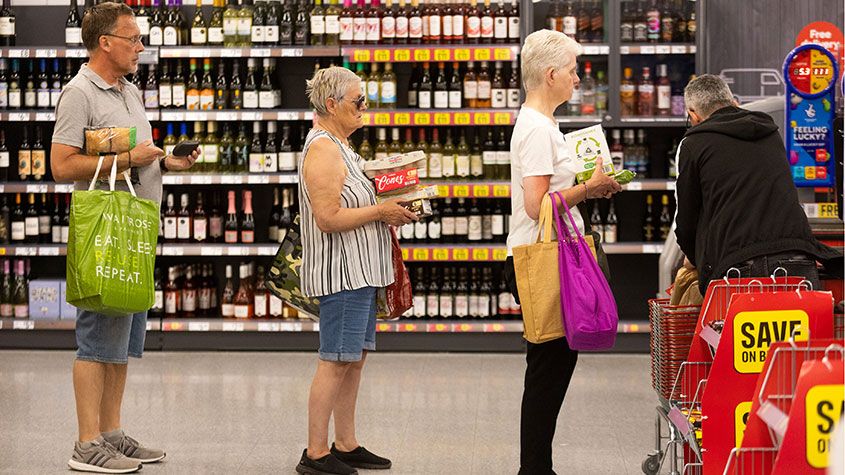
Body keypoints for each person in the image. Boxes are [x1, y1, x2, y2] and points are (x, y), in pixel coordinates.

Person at [51, 3, 198, 473]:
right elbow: (61, 166)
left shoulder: (130, 89)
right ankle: (85, 443)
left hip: (135, 229)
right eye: (132, 39)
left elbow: (136, 155)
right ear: (105, 43)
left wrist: (165, 163)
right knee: (96, 337)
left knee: (122, 340)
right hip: (105, 233)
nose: (140, 47)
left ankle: (111, 433)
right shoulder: (79, 93)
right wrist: (130, 160)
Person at [505, 30, 622, 475]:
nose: (577, 79)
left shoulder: (544, 124)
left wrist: (587, 188)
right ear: (550, 74)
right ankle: (534, 468)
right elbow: (537, 207)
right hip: (544, 258)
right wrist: (588, 189)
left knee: (551, 365)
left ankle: (538, 465)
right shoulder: (536, 129)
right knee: (548, 368)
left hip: (554, 254)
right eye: (573, 71)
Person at [296, 66, 417, 475]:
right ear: (331, 104)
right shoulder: (323, 149)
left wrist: (395, 197)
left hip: (364, 270)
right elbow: (327, 217)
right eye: (358, 101)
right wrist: (381, 211)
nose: (365, 107)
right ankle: (314, 454)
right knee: (335, 359)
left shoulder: (342, 144)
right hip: (343, 273)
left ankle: (345, 443)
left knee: (354, 358)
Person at [675, 74, 841, 294]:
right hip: (797, 258)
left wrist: (695, 257)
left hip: (736, 268)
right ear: (734, 102)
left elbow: (687, 221)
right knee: (804, 330)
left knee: (727, 329)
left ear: (693, 115)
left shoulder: (694, 144)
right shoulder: (769, 132)